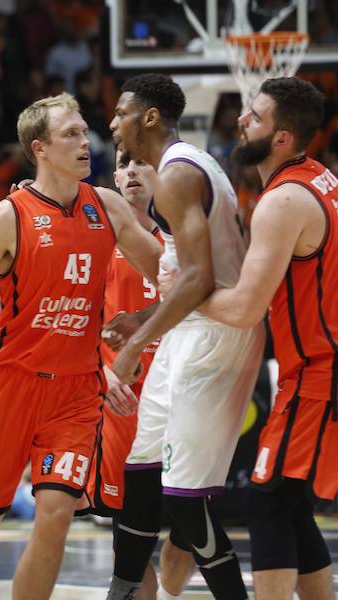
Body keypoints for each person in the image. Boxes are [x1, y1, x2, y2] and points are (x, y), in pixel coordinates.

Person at [0, 93, 162, 600]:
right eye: (71, 135)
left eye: (85, 133)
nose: (86, 142)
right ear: (39, 148)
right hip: (11, 384)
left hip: (78, 392)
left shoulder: (107, 206)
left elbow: (169, 274)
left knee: (58, 513)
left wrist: (144, 317)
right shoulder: (7, 216)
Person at [159, 77, 336, 600]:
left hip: (318, 373)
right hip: (314, 370)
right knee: (291, 503)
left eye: (253, 116)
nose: (240, 121)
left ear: (281, 137)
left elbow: (243, 309)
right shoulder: (321, 178)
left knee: (268, 499)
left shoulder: (283, 201)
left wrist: (184, 291)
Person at [104, 73, 264, 599]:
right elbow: (196, 272)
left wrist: (132, 346)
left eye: (122, 112)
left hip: (214, 335)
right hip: (188, 332)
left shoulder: (177, 174)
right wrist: (145, 315)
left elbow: (199, 279)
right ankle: (121, 593)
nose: (113, 122)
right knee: (142, 478)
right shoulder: (178, 169)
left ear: (149, 117)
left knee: (186, 503)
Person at [86, 149, 195, 600]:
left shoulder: (187, 237)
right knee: (127, 536)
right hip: (122, 401)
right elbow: (75, 316)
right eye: (123, 163)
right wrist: (101, 373)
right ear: (112, 176)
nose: (131, 171)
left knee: (190, 523)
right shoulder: (94, 238)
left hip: (180, 398)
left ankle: (171, 589)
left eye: (141, 163)